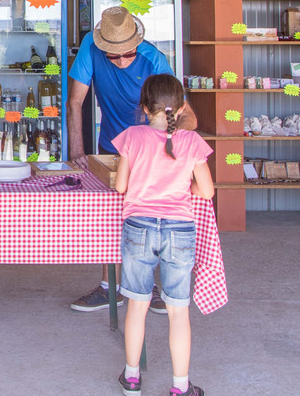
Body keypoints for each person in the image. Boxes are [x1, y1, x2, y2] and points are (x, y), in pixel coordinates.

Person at [67, 6, 197, 313]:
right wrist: (77, 152)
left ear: (138, 43)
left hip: (151, 153)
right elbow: (75, 102)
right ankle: (109, 286)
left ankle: (147, 287)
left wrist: (160, 139)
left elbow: (187, 117)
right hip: (111, 145)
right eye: (114, 56)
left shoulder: (155, 60)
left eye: (128, 54)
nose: (122, 61)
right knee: (108, 217)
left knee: (147, 217)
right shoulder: (91, 45)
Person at [114, 75, 214, 396]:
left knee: (137, 305)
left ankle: (132, 379)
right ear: (183, 107)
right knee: (178, 309)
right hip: (179, 229)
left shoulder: (132, 136)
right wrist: (186, 185)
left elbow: (121, 186)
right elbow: (207, 191)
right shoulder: (192, 141)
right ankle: (181, 387)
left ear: (144, 108)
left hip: (138, 227)